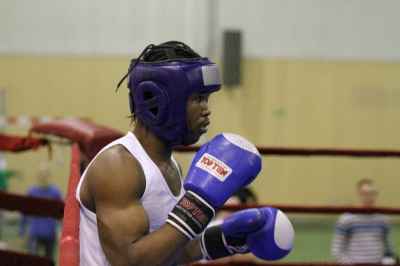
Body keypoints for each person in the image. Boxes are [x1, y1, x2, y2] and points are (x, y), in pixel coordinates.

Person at [76, 41, 294, 266]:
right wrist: (198, 205)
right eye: (198, 98)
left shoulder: (171, 166)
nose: (207, 109)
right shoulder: (117, 166)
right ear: (159, 101)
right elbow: (130, 261)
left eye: (206, 99)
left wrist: (223, 239)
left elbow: (166, 252)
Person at [331, 179, 397, 264]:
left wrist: (386, 262)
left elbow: (390, 249)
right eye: (366, 194)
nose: (370, 197)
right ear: (359, 195)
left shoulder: (382, 219)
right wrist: (351, 264)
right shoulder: (347, 219)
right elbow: (336, 250)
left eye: (373, 194)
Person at [19, 163, 63, 259]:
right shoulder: (31, 192)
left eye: (45, 173)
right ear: (37, 174)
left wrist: (61, 230)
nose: (42, 175)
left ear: (48, 175)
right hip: (35, 234)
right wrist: (21, 234)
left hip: (50, 234)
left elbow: (63, 213)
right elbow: (24, 214)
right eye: (40, 173)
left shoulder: (55, 192)